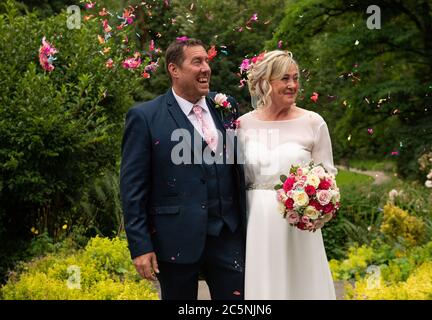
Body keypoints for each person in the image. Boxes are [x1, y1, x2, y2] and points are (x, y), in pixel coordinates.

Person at [120, 38, 246, 300]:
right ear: (174, 70)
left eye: (207, 61)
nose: (206, 69)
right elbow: (132, 188)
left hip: (227, 234)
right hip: (175, 238)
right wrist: (140, 246)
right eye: (196, 62)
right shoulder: (145, 117)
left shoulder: (226, 107)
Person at [238, 50, 337, 299]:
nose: (292, 85)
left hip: (298, 226)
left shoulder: (314, 123)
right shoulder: (242, 125)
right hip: (255, 222)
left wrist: (317, 210)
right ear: (265, 83)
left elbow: (329, 179)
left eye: (295, 78)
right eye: (284, 79)